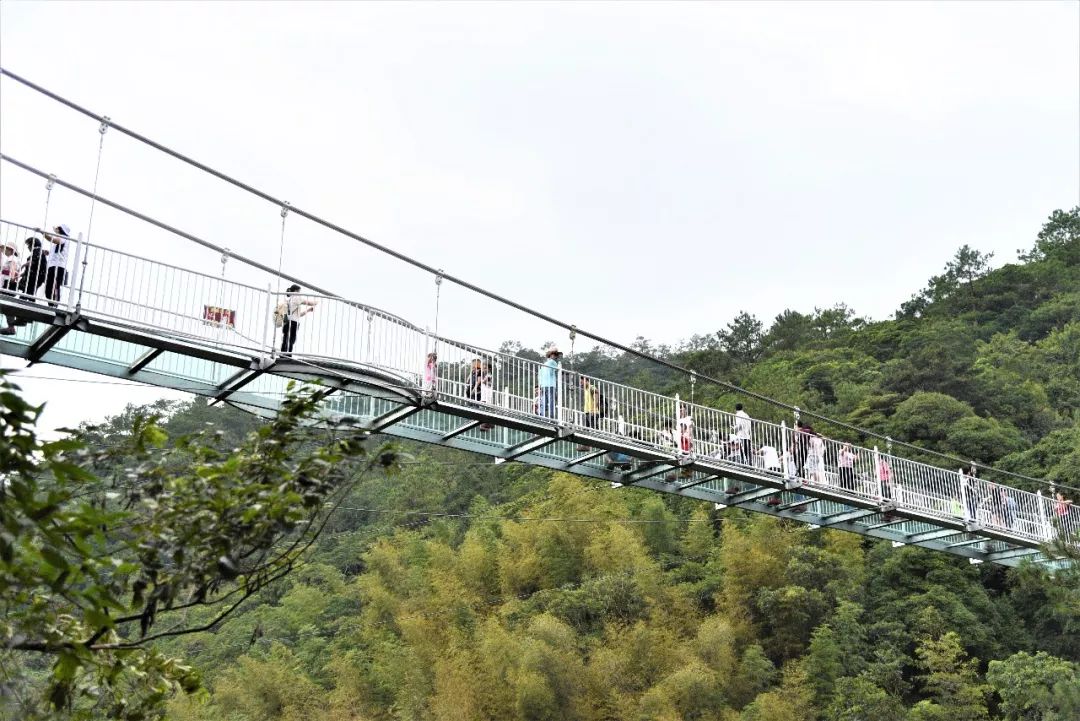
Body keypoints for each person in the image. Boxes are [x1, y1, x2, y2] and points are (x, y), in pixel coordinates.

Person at [1, 237, 48, 336]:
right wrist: (20, 273)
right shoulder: (37, 253)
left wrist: (14, 275)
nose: (28, 248)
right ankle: (17, 322)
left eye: (29, 245)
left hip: (12, 283)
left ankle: (20, 321)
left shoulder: (13, 258)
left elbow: (14, 268)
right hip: (27, 280)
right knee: (19, 300)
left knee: (20, 300)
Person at [277, 284, 317, 353]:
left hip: (287, 322)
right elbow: (310, 303)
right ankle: (288, 355)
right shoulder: (297, 298)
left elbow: (299, 314)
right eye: (299, 291)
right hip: (293, 322)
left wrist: (308, 310)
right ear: (296, 291)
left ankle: (283, 354)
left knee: (285, 338)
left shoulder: (288, 300)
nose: (300, 293)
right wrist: (317, 302)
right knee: (291, 339)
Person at [43, 224, 71, 307]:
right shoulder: (60, 240)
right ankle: (51, 304)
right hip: (53, 266)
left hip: (58, 267)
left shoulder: (64, 238)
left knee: (54, 286)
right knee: (49, 287)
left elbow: (54, 240)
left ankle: (54, 305)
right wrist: (48, 253)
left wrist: (43, 233)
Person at [538, 347, 562, 419]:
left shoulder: (544, 364)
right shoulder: (553, 362)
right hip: (551, 385)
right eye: (555, 355)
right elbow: (557, 371)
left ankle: (542, 414)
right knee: (552, 401)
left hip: (543, 385)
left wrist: (540, 385)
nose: (556, 356)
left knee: (544, 400)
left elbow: (540, 375)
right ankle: (552, 416)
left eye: (556, 355)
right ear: (551, 355)